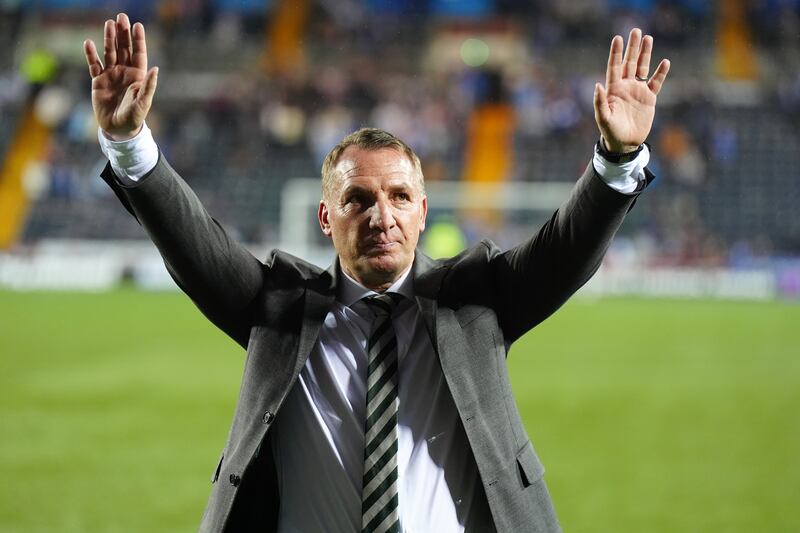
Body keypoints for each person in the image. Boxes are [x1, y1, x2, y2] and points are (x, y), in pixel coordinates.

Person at [83, 13, 669, 533]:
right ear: (325, 217)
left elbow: (565, 250)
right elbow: (194, 245)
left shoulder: (476, 300)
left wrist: (616, 160)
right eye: (358, 199)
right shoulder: (277, 308)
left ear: (422, 211)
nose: (380, 216)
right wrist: (130, 143)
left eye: (398, 196)